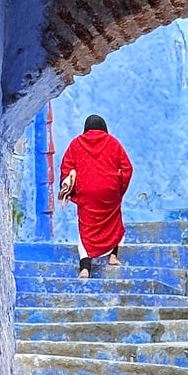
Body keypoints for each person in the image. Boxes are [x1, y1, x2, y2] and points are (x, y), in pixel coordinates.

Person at [58, 114, 133, 278]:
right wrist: (119, 189)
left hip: (86, 193)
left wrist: (73, 190)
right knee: (115, 223)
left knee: (86, 228)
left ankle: (85, 267)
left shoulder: (76, 143)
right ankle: (113, 256)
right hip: (109, 191)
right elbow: (127, 168)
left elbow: (66, 166)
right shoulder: (113, 142)